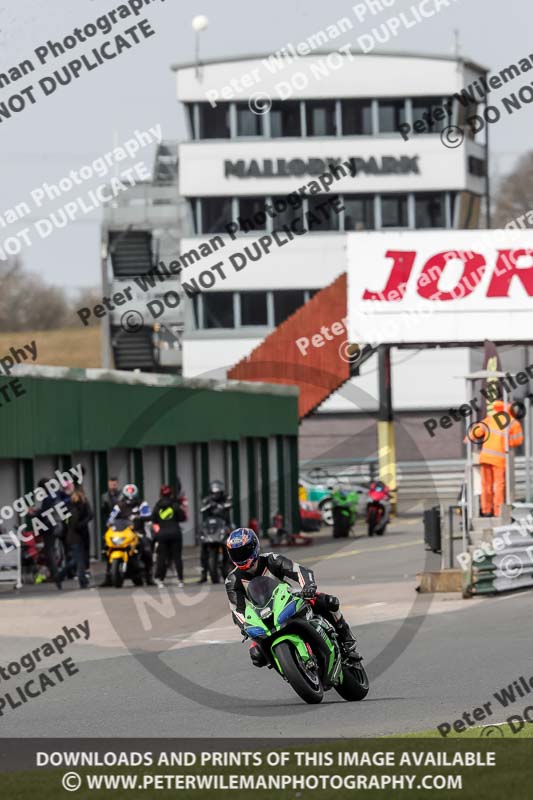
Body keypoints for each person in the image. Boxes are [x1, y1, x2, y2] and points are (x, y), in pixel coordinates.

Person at [224, 528, 361, 668]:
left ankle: (347, 638)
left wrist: (308, 586)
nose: (240, 557)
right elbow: (236, 610)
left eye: (243, 551)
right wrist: (245, 625)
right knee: (256, 655)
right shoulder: (232, 580)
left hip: (288, 601)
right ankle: (287, 667)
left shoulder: (271, 559)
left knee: (329, 602)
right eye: (236, 553)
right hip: (263, 616)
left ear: (254, 547)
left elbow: (298, 570)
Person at [473, 400, 524, 517]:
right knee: (499, 486)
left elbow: (477, 431)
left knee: (486, 485)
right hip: (499, 459)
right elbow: (518, 440)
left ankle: (486, 510)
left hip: (485, 457)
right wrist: (508, 443)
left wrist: (468, 436)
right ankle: (498, 512)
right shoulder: (513, 423)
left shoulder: (491, 418)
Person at [101, 483, 155, 586]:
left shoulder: (142, 504)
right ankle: (108, 576)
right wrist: (109, 522)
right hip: (122, 531)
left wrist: (139, 517)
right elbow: (112, 517)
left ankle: (149, 576)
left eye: (132, 498)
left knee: (147, 549)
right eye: (128, 498)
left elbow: (148, 515)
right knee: (106, 547)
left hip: (138, 531)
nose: (130, 500)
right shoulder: (119, 505)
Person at [152, 484, 187, 588]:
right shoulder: (174, 505)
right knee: (177, 556)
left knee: (162, 556)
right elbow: (182, 517)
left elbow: (154, 520)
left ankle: (160, 580)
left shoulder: (157, 506)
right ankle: (180, 579)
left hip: (162, 533)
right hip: (175, 532)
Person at [198, 480, 232, 583]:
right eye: (214, 493)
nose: (215, 495)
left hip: (224, 524)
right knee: (203, 544)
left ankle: (233, 565)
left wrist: (224, 505)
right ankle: (204, 572)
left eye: (217, 493)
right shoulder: (207, 500)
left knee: (233, 541)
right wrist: (207, 506)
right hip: (211, 527)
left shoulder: (226, 498)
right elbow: (202, 509)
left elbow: (230, 503)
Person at [63, 484, 93, 589]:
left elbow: (90, 514)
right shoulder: (74, 505)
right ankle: (83, 582)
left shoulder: (73, 504)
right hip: (77, 536)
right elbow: (89, 516)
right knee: (80, 560)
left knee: (77, 560)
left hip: (75, 535)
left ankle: (60, 574)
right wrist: (82, 524)